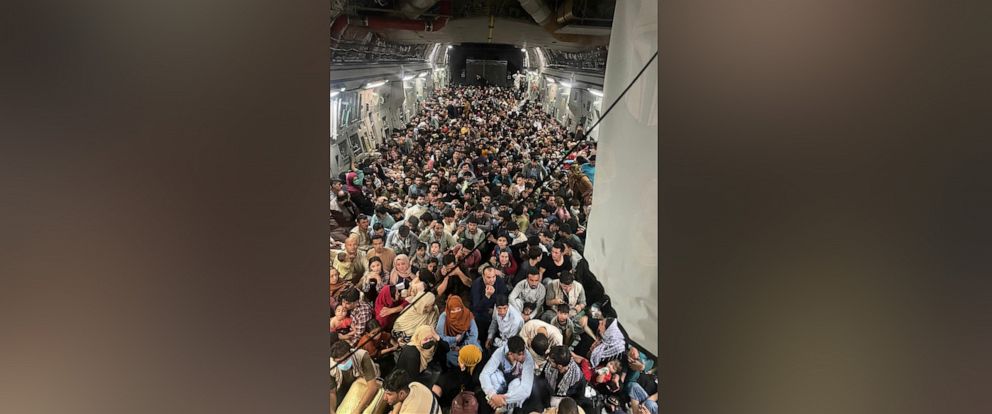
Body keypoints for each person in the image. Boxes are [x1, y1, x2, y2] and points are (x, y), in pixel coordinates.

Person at [478, 336, 540, 414]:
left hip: (516, 385)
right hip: (503, 381)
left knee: (517, 383)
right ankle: (498, 402)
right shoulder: (500, 352)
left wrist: (502, 400)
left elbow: (526, 390)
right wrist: (492, 395)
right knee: (493, 375)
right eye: (520, 354)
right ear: (511, 353)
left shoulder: (528, 358)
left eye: (523, 352)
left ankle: (507, 407)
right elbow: (484, 374)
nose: (523, 356)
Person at [329, 340, 381, 414]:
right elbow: (332, 393)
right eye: (339, 362)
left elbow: (372, 386)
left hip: (362, 384)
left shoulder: (361, 356)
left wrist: (358, 410)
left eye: (345, 359)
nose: (343, 363)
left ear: (351, 353)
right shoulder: (330, 367)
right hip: (342, 387)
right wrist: (331, 410)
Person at [394, 325, 448, 392]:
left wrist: (437, 337)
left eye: (431, 338)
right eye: (425, 339)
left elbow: (446, 349)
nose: (429, 341)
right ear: (419, 338)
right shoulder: (413, 353)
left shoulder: (431, 346)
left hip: (423, 373)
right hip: (408, 381)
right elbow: (413, 379)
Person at [435, 295, 480, 367]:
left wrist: (463, 346)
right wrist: (454, 339)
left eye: (458, 309)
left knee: (477, 350)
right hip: (451, 345)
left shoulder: (467, 314)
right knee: (449, 356)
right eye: (453, 310)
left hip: (466, 341)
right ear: (449, 310)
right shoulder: (444, 316)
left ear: (462, 307)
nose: (456, 312)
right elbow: (440, 337)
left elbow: (474, 333)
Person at [471, 265, 510, 336]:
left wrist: (495, 307)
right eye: (488, 277)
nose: (492, 280)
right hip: (482, 311)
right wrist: (487, 296)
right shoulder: (476, 285)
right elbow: (476, 308)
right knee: (480, 318)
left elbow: (505, 296)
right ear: (483, 276)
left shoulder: (499, 280)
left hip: (497, 307)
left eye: (493, 276)